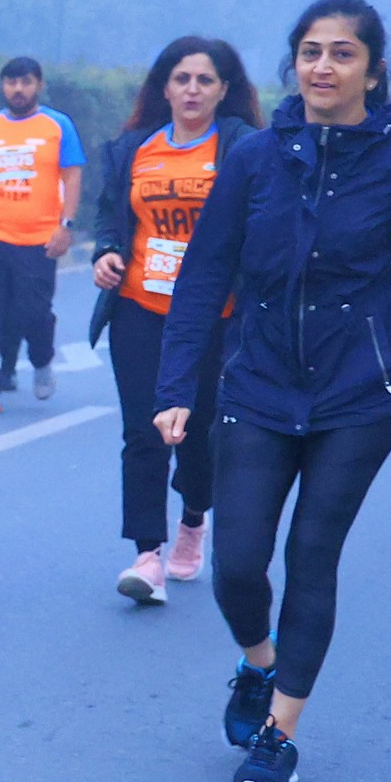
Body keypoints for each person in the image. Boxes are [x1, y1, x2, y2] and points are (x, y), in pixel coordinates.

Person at [155, 0, 391, 782]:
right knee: (238, 564)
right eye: (310, 52)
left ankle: (279, 734)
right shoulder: (254, 158)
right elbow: (204, 276)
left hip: (360, 394)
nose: (323, 67)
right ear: (293, 63)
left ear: (373, 69)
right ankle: (259, 664)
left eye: (342, 53)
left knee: (311, 555)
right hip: (257, 384)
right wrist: (175, 385)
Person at [87, 36, 260, 606]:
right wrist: (106, 253)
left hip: (215, 319)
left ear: (224, 90)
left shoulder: (241, 148)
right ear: (164, 87)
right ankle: (147, 555)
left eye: (204, 80)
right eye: (182, 79)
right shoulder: (135, 148)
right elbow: (111, 215)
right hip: (140, 309)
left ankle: (193, 516)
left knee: (200, 434)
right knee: (143, 431)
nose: (192, 90)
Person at [0, 56, 82, 414]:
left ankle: (41, 360)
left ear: (39, 85)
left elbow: (72, 176)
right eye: (11, 82)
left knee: (32, 312)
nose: (18, 89)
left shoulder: (57, 126)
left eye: (25, 82)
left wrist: (66, 225)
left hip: (38, 239)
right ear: (3, 86)